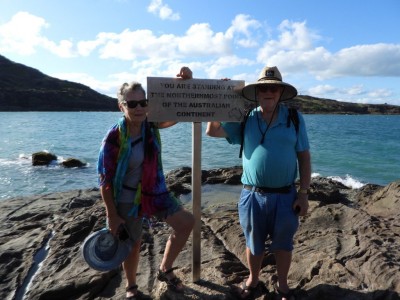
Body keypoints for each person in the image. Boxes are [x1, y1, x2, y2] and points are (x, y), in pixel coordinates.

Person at [206, 66, 311, 300]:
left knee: (284, 244)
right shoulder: (246, 117)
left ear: (281, 92)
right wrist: (222, 96)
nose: (268, 92)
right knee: (254, 243)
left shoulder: (294, 118)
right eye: (263, 87)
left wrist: (303, 193)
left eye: (273, 88)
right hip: (252, 195)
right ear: (257, 92)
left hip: (286, 195)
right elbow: (212, 131)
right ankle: (253, 280)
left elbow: (304, 157)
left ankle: (283, 286)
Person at [97, 67, 195, 299]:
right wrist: (112, 215)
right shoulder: (114, 137)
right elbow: (104, 180)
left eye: (143, 102)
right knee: (132, 244)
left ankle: (165, 268)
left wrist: (182, 83)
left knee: (186, 223)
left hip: (155, 192)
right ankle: (131, 287)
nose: (139, 108)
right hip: (127, 198)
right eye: (132, 104)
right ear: (121, 106)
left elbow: (176, 113)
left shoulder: (152, 125)